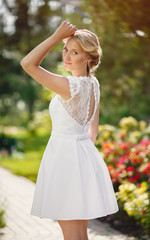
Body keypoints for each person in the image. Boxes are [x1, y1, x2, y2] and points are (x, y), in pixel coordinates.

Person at [20, 20, 119, 240]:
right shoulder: (92, 84)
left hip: (66, 161)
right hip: (81, 158)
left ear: (89, 58)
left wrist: (56, 36)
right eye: (65, 50)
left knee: (72, 235)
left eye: (74, 52)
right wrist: (83, 155)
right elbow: (93, 128)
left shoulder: (71, 87)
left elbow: (27, 64)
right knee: (78, 233)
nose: (66, 56)